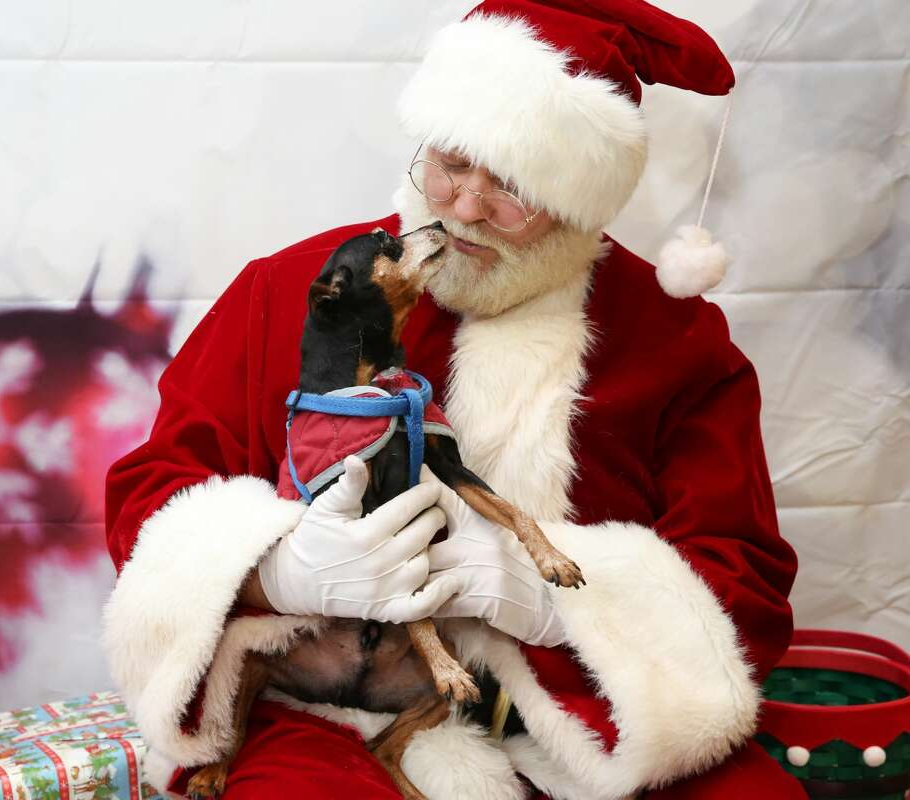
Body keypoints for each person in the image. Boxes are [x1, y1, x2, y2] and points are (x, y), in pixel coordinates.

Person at [101, 1, 806, 798]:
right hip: (330, 704)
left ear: (580, 200)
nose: (464, 206)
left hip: (570, 706)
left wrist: (557, 601)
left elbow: (741, 581)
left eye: (513, 186)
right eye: (450, 161)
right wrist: (278, 571)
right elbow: (152, 491)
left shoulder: (676, 343)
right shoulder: (298, 287)